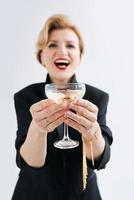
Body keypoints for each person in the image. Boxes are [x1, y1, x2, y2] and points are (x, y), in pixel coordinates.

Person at [11, 14, 113, 200]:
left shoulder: (97, 98)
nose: (62, 51)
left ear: (80, 56)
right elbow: (29, 163)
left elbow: (99, 160)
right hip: (33, 194)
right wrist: (38, 130)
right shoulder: (26, 97)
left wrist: (93, 132)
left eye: (71, 45)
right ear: (41, 56)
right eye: (52, 45)